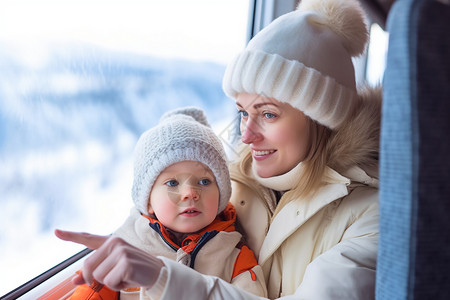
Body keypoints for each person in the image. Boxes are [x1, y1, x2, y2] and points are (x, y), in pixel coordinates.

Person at [56, 0, 381, 298]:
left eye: (267, 114)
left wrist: (163, 278)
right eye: (243, 112)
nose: (247, 135)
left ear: (319, 118)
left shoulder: (372, 216)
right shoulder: (227, 181)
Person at [56, 107, 267, 299]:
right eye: (172, 182)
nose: (190, 193)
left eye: (204, 181)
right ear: (148, 201)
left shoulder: (234, 254)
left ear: (221, 194)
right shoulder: (127, 247)